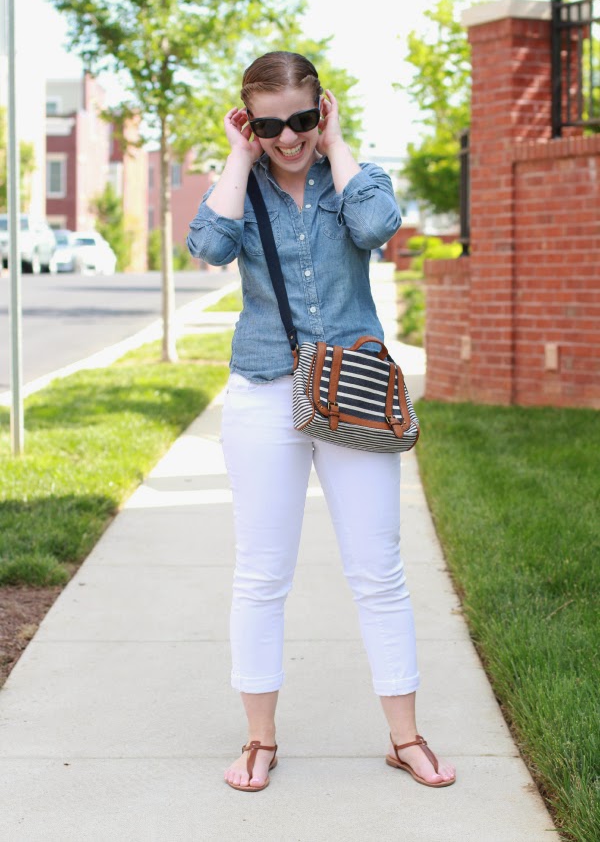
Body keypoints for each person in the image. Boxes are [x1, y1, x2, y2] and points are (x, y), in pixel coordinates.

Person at [186, 51, 456, 793]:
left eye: (302, 120)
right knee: (262, 574)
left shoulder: (349, 178)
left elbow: (379, 225)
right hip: (266, 393)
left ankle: (405, 739)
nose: (289, 137)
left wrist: (337, 147)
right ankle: (258, 740)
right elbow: (208, 246)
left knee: (378, 572)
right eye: (270, 125)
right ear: (250, 123)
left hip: (354, 392)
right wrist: (239, 159)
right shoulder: (245, 187)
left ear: (322, 109)